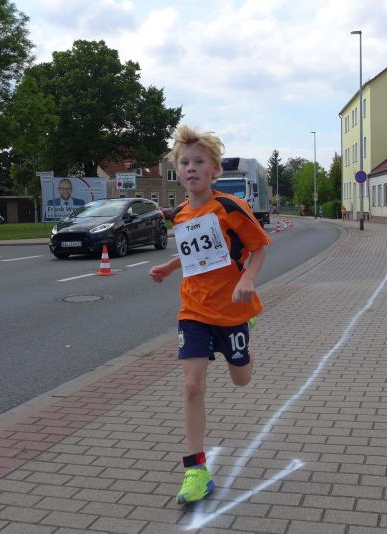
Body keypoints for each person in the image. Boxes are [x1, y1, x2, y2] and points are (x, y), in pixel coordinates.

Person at [148, 125, 271, 505]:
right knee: (192, 386)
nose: (191, 168)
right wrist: (171, 267)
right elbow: (196, 255)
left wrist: (247, 278)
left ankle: (247, 334)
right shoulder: (181, 215)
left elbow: (259, 248)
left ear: (214, 170)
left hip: (232, 310)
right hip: (194, 310)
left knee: (241, 380)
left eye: (199, 161)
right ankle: (196, 470)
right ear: (178, 170)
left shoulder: (231, 208)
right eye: (184, 162)